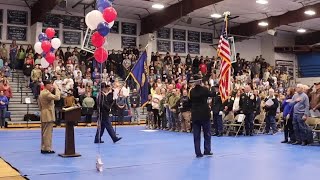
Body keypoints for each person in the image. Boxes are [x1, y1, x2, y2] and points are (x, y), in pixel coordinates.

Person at [189, 75, 213, 158]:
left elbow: (190, 102)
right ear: (200, 81)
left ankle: (198, 152)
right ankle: (207, 150)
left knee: (196, 135)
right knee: (207, 133)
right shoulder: (205, 89)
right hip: (205, 114)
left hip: (195, 115)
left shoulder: (191, 91)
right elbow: (211, 94)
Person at [38, 80, 60, 154]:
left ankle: (43, 147)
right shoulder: (46, 93)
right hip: (48, 114)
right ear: (46, 85)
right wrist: (57, 89)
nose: (51, 86)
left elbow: (39, 105)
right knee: (48, 133)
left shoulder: (42, 92)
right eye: (50, 84)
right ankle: (47, 148)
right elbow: (57, 97)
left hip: (44, 113)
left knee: (44, 132)